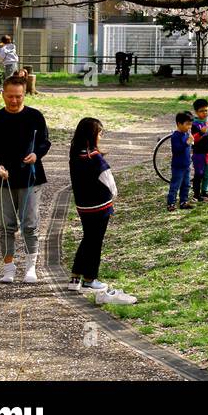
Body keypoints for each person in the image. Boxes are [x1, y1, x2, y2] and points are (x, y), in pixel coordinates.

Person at [0, 75, 51, 284]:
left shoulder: (35, 117)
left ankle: (31, 267)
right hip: (3, 179)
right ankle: (8, 267)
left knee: (30, 225)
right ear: (2, 95)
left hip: (30, 178)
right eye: (10, 96)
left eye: (18, 97)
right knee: (5, 226)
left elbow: (45, 142)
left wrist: (37, 155)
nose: (14, 101)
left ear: (24, 95)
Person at [66, 117, 135, 304]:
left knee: (88, 239)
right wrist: (114, 195)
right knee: (95, 242)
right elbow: (109, 181)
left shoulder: (75, 155)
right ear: (93, 135)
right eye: (100, 133)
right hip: (100, 206)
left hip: (83, 206)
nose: (101, 136)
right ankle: (90, 278)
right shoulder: (95, 158)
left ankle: (75, 277)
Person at [190, 98, 208, 202]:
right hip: (199, 154)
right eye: (201, 111)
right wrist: (201, 133)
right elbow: (193, 139)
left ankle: (205, 192)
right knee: (199, 174)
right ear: (196, 112)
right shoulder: (194, 124)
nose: (204, 113)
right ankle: (196, 194)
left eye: (206, 110)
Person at [168, 111, 195, 211]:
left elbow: (188, 148)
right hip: (178, 166)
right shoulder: (176, 136)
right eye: (187, 124)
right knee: (175, 185)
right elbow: (176, 150)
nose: (189, 126)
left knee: (186, 184)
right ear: (179, 124)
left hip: (186, 165)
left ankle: (184, 201)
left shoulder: (186, 134)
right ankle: (171, 203)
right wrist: (187, 143)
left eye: (190, 124)